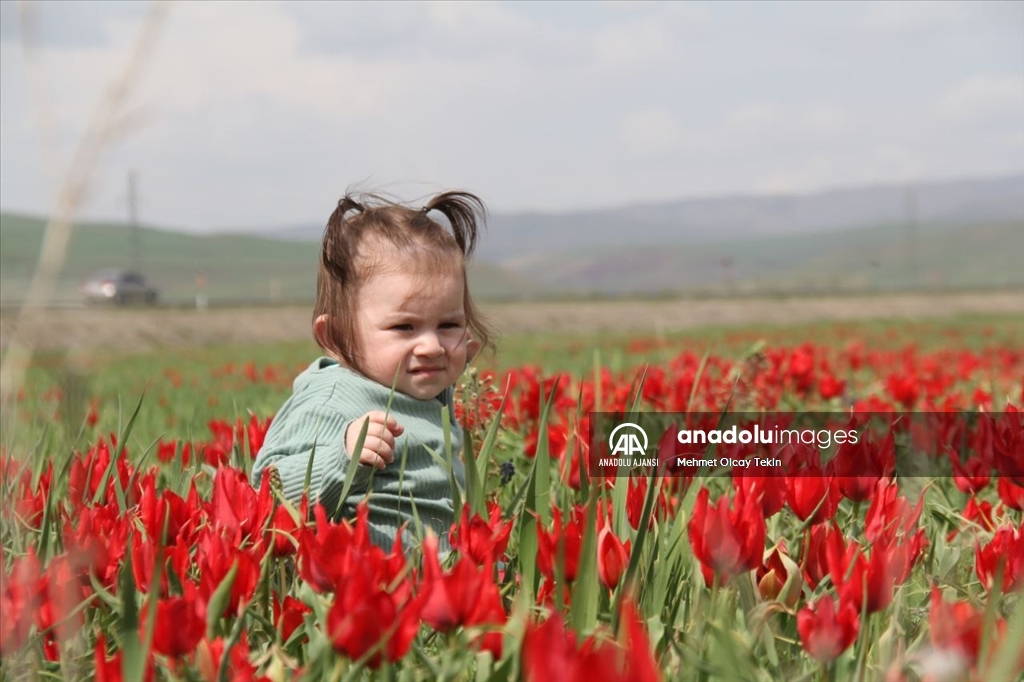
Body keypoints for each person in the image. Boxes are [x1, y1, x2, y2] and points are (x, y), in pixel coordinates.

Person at [251, 190, 492, 552]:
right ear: (335, 335)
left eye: (449, 325)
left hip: (440, 578)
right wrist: (342, 455)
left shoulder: (416, 385)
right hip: (373, 587)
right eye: (404, 328)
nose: (432, 346)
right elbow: (268, 490)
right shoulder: (332, 399)